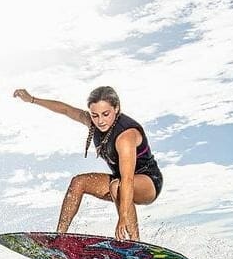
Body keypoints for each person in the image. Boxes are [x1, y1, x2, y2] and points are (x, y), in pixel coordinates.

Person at [12, 85, 162, 241]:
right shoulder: (93, 123)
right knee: (78, 182)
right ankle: (59, 239)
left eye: (105, 114)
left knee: (117, 185)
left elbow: (128, 180)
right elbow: (66, 110)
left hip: (148, 182)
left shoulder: (125, 136)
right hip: (120, 182)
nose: (100, 121)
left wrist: (123, 217)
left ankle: (135, 243)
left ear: (116, 108)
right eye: (95, 115)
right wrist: (32, 100)